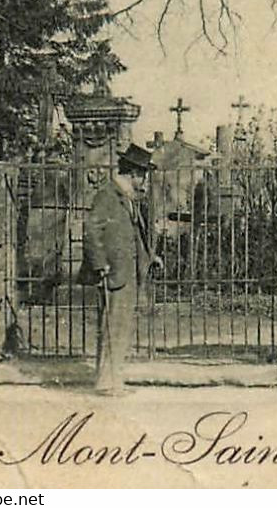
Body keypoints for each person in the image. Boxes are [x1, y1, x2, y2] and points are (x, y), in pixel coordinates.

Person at [84, 144, 161, 395]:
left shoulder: (125, 198)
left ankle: (112, 380)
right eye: (143, 176)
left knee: (120, 328)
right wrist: (99, 264)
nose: (144, 182)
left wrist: (150, 258)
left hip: (126, 274)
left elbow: (134, 236)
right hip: (114, 273)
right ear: (134, 174)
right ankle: (107, 383)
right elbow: (92, 230)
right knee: (112, 328)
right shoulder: (107, 195)